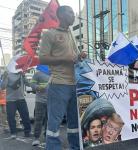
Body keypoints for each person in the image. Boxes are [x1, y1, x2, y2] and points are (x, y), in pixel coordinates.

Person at [39, 5, 87, 150]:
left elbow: (73, 59)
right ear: (60, 15)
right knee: (55, 123)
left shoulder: (71, 34)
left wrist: (79, 57)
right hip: (59, 84)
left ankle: (75, 147)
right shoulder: (49, 34)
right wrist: (64, 58)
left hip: (75, 84)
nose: (74, 15)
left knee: (74, 122)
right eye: (70, 12)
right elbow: (42, 58)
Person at [0, 71, 31, 138]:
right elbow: (2, 87)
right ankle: (13, 133)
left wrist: (24, 76)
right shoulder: (8, 74)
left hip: (21, 98)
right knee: (11, 117)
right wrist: (5, 77)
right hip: (10, 100)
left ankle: (27, 132)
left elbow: (28, 84)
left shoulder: (21, 74)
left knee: (25, 116)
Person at [30, 65, 50, 146]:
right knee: (38, 119)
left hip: (51, 101)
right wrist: (38, 87)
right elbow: (32, 84)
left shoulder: (53, 74)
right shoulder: (37, 74)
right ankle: (36, 138)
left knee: (49, 120)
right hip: (40, 101)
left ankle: (47, 137)